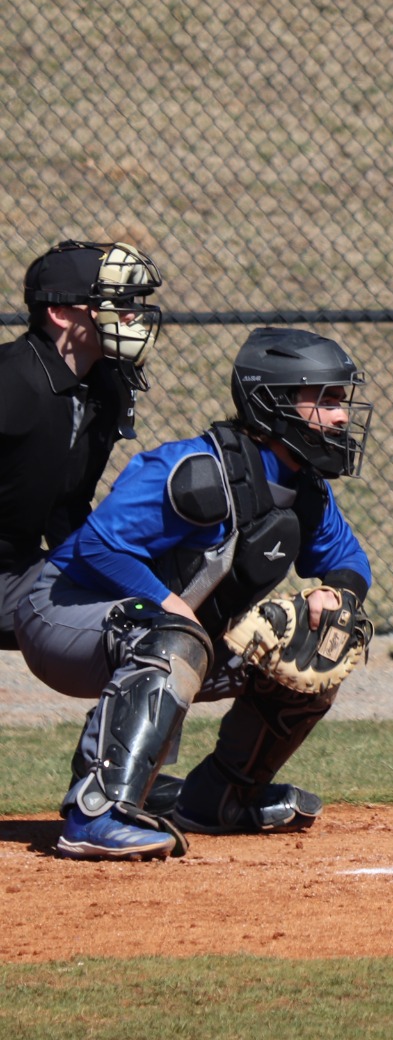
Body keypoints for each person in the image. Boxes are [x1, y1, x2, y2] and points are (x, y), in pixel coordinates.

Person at [12, 327, 374, 860]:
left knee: (324, 645)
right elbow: (95, 548)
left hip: (155, 632)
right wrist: (174, 609)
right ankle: (98, 813)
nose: (341, 415)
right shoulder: (195, 472)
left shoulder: (305, 488)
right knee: (175, 634)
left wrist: (336, 598)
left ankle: (219, 801)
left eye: (341, 399)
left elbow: (347, 561)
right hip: (60, 614)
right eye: (325, 399)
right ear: (271, 403)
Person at [0, 240, 163, 652]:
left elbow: (66, 509)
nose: (134, 316)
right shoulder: (13, 382)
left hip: (15, 570)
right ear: (59, 313)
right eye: (118, 303)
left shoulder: (103, 387)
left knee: (157, 595)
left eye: (135, 302)